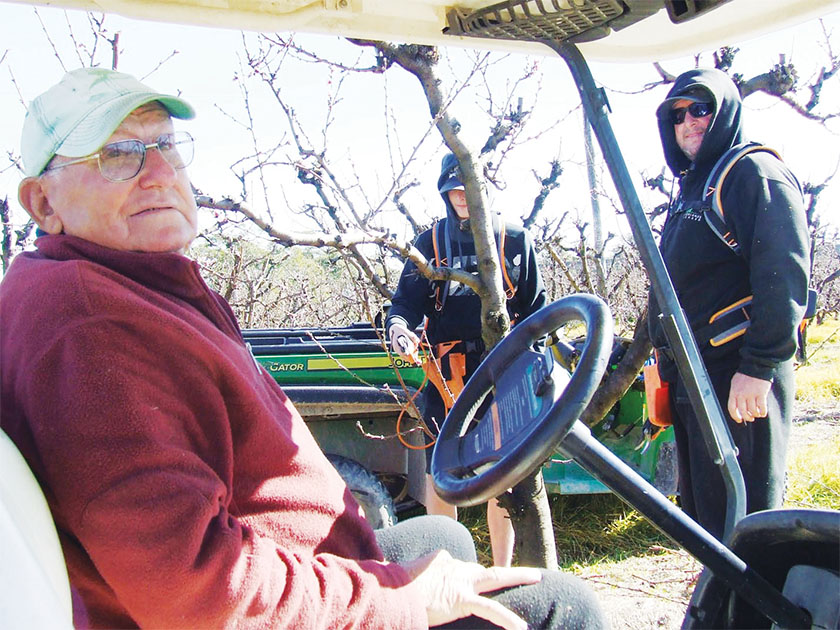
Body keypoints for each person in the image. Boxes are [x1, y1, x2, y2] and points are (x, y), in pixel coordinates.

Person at [0, 68, 606, 629]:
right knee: (562, 608)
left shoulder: (125, 284)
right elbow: (195, 590)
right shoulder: (88, 329)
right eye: (118, 156)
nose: (159, 172)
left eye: (165, 145)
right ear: (43, 203)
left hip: (290, 551)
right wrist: (397, 599)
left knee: (441, 542)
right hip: (244, 600)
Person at [648, 68, 810, 540]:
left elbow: (784, 273)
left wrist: (759, 367)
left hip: (736, 375)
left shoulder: (753, 173)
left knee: (748, 523)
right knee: (709, 522)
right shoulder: (691, 190)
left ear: (725, 113)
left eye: (701, 109)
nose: (689, 122)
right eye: (677, 115)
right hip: (694, 377)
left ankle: (751, 614)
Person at [386, 153, 547, 567]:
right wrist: (399, 327)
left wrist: (536, 366)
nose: (461, 195)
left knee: (502, 477)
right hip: (445, 378)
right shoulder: (431, 244)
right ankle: (452, 570)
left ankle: (502, 570)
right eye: (452, 188)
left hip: (502, 371)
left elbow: (537, 310)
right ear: (443, 191)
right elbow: (405, 302)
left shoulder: (514, 239)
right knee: (441, 477)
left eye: (467, 186)